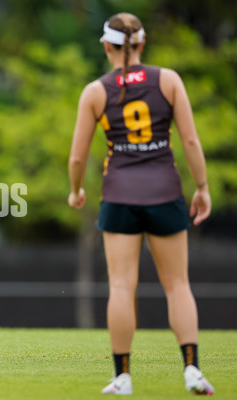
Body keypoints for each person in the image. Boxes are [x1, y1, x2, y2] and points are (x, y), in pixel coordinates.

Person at [67, 13, 214, 395]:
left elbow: (78, 158)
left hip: (118, 196)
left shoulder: (96, 90)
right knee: (178, 285)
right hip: (165, 193)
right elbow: (192, 142)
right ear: (143, 43)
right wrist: (202, 187)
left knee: (120, 286)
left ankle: (123, 377)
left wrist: (76, 189)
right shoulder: (168, 80)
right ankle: (193, 371)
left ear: (106, 46)